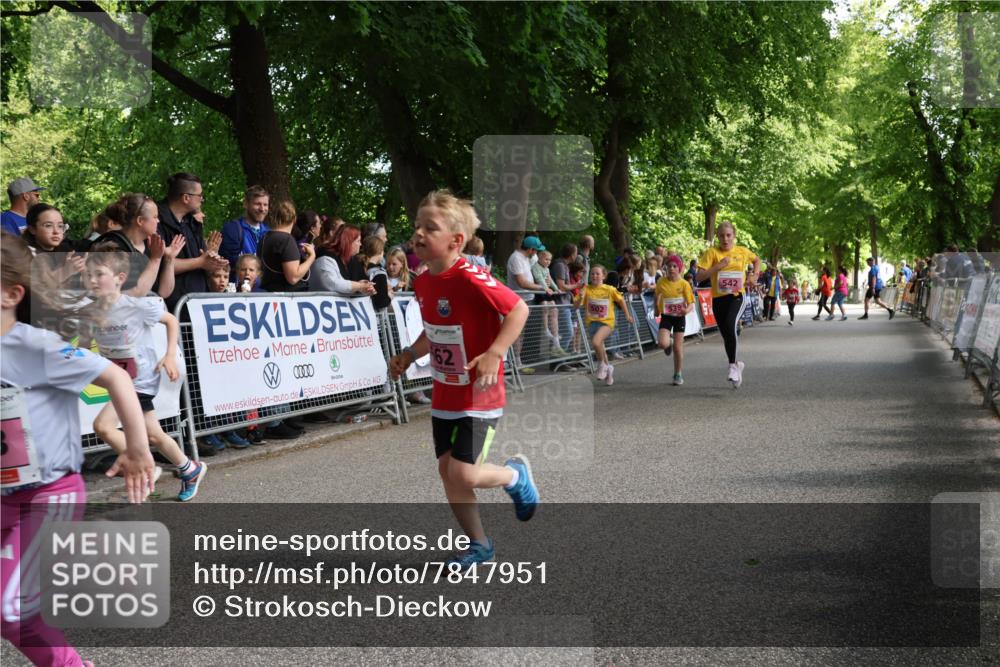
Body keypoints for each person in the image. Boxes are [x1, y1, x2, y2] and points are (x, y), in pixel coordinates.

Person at [1, 235, 154, 667]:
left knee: (11, 610)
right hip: (5, 497)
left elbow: (117, 378)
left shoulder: (37, 346)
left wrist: (138, 450)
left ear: (12, 295)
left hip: (49, 495)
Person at [387, 190, 534, 571]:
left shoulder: (471, 276)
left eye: (429, 227)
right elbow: (433, 332)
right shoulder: (421, 282)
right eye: (417, 225)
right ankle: (480, 546)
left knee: (463, 472)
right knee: (447, 473)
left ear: (455, 241)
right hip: (445, 391)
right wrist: (408, 354)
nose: (418, 234)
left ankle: (514, 475)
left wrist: (495, 352)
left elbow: (518, 310)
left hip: (480, 392)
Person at [85, 249, 208, 501]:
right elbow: (85, 346)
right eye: (88, 275)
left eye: (99, 274)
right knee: (153, 433)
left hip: (139, 380)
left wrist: (170, 355)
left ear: (120, 278)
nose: (93, 280)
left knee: (103, 426)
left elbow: (171, 321)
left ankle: (144, 464)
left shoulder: (135, 306)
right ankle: (189, 469)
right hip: (122, 379)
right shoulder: (93, 312)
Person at [696, 221, 760, 388]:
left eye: (729, 235)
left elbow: (757, 260)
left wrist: (754, 276)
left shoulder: (742, 251)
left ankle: (732, 365)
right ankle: (738, 365)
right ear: (717, 236)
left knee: (731, 325)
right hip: (718, 299)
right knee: (726, 333)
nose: (725, 239)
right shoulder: (712, 253)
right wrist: (717, 267)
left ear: (734, 236)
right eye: (722, 235)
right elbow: (699, 277)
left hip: (737, 297)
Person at [157, 172, 227, 312]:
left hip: (196, 304)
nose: (202, 200)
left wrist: (212, 258)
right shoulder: (156, 221)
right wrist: (200, 262)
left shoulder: (191, 222)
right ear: (186, 198)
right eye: (200, 196)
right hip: (171, 307)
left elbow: (201, 258)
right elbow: (159, 263)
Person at [98, 192, 184, 299]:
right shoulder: (112, 247)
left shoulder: (150, 247)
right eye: (155, 217)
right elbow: (134, 293)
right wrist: (155, 260)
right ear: (140, 221)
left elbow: (163, 292)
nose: (158, 221)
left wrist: (169, 259)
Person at [575, 264, 634, 386]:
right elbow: (575, 306)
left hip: (607, 323)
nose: (594, 276)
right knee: (600, 348)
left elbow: (621, 300)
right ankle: (609, 370)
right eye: (592, 274)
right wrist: (580, 297)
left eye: (597, 273)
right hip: (592, 323)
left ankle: (601, 365)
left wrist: (627, 315)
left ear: (603, 276)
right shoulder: (586, 289)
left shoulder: (609, 289)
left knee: (596, 342)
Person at [654, 255, 695, 385]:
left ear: (679, 269)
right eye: (669, 266)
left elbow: (691, 304)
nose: (671, 269)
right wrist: (656, 309)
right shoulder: (661, 281)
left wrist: (686, 311)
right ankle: (668, 343)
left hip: (679, 318)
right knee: (662, 343)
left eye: (674, 266)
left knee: (678, 348)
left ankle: (677, 374)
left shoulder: (684, 284)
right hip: (666, 316)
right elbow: (657, 296)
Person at [258, 200, 315, 292]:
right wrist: (311, 257)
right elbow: (293, 277)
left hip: (268, 292)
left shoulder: (264, 238)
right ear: (294, 219)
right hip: (288, 297)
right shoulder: (287, 240)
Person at [309, 224, 377, 297]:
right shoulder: (325, 259)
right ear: (348, 243)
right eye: (358, 241)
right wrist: (359, 286)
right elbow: (333, 284)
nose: (360, 244)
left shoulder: (351, 260)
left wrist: (363, 285)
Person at [220, 185, 270, 280]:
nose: (262, 209)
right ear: (246, 204)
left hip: (264, 291)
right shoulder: (232, 229)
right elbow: (228, 264)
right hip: (239, 290)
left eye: (265, 204)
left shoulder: (269, 232)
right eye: (257, 204)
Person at [532, 249, 567, 356]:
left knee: (554, 308)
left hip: (547, 290)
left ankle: (555, 336)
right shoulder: (535, 267)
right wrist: (546, 288)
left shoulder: (546, 269)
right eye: (546, 259)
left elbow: (550, 280)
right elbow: (539, 279)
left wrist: (557, 289)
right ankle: (546, 329)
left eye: (550, 260)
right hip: (541, 290)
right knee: (545, 306)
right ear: (540, 258)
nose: (548, 262)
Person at [361, 235, 391, 311]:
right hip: (375, 315)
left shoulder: (359, 266)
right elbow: (382, 302)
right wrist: (390, 296)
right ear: (380, 252)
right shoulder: (379, 272)